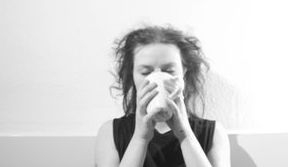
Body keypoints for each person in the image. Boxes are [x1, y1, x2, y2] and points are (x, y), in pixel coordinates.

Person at [95, 25, 230, 167]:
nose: (157, 78)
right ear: (132, 74)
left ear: (183, 71)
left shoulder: (213, 133)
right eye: (146, 72)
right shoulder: (110, 132)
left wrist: (185, 135)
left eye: (169, 70)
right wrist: (140, 138)